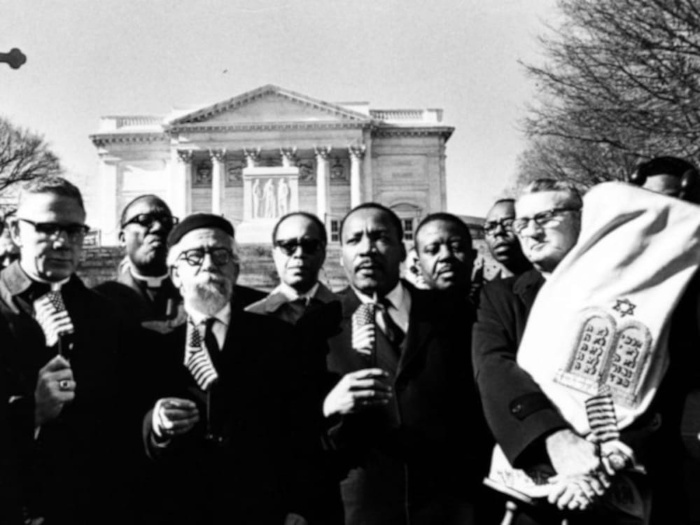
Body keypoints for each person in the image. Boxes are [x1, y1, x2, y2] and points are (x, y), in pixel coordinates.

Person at [143, 213, 328, 525]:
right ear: (175, 275)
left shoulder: (278, 338)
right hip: (180, 507)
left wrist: (299, 506)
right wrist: (156, 425)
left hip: (260, 509)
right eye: (194, 256)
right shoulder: (149, 341)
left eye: (221, 254)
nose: (209, 263)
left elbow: (301, 429)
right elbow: (122, 427)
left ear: (236, 268)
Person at [323, 202, 491, 525]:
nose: (367, 249)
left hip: (450, 503)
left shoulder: (456, 315)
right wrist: (328, 407)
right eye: (354, 239)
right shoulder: (317, 327)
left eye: (380, 237)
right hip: (360, 507)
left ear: (403, 250)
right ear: (341, 254)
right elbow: (292, 428)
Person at [0, 176, 139, 524]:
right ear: (16, 231)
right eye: (46, 228)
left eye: (74, 230)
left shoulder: (106, 314)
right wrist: (30, 414)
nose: (62, 242)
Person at [473, 179, 586, 523]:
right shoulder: (499, 297)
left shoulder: (628, 288)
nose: (532, 232)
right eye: (522, 223)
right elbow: (493, 370)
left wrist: (606, 453)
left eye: (546, 217)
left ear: (582, 219)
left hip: (619, 475)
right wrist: (557, 442)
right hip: (536, 480)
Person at [95, 195, 265, 332]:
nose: (158, 228)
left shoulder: (233, 300)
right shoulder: (99, 302)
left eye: (166, 221)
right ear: (122, 238)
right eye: (145, 220)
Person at [246, 211, 338, 324]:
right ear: (274, 254)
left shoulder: (349, 311)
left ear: (323, 252)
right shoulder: (250, 317)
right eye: (288, 245)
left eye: (309, 245)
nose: (299, 254)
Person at [413, 212, 477, 299]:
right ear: (418, 265)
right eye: (432, 250)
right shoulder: (405, 310)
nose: (446, 255)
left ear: (473, 256)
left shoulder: (495, 302)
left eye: (456, 247)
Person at [482, 199, 532, 279]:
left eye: (509, 224)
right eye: (490, 227)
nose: (498, 231)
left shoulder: (551, 283)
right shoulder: (489, 290)